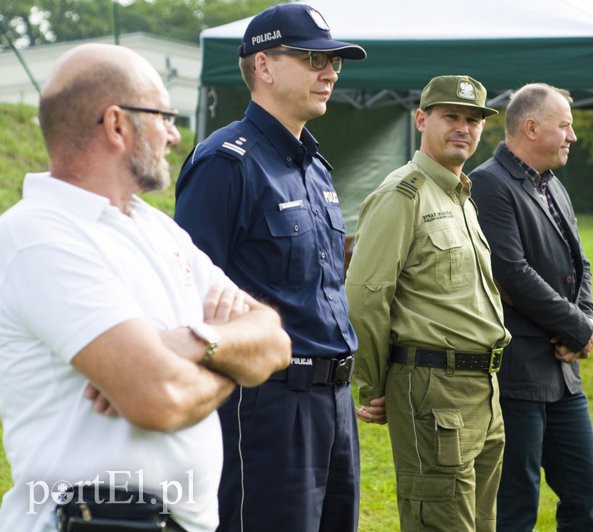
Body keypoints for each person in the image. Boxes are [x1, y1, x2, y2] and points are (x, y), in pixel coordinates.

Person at [0, 43, 291, 531]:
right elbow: (160, 398)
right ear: (117, 124)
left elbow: (275, 341)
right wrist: (229, 363)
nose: (175, 135)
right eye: (164, 117)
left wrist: (194, 342)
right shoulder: (38, 236)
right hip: (92, 522)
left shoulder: (157, 229)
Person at [173, 4, 366, 531]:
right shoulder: (225, 163)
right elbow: (187, 291)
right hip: (268, 405)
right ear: (264, 65)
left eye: (334, 62)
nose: (329, 73)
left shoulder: (314, 166)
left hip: (334, 402)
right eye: (313, 59)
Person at [346, 74, 510, 531]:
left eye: (473, 120)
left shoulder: (461, 195)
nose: (463, 128)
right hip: (434, 389)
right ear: (421, 120)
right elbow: (366, 296)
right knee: (441, 521)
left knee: (480, 522)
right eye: (451, 116)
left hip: (484, 390)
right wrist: (374, 384)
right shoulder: (403, 194)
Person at [469, 83, 593, 532]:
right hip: (518, 374)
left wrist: (585, 321)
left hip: (564, 375)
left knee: (586, 489)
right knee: (516, 503)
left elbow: (580, 263)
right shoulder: (489, 183)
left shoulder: (555, 185)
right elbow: (511, 272)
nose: (572, 136)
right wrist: (577, 328)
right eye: (564, 126)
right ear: (531, 127)